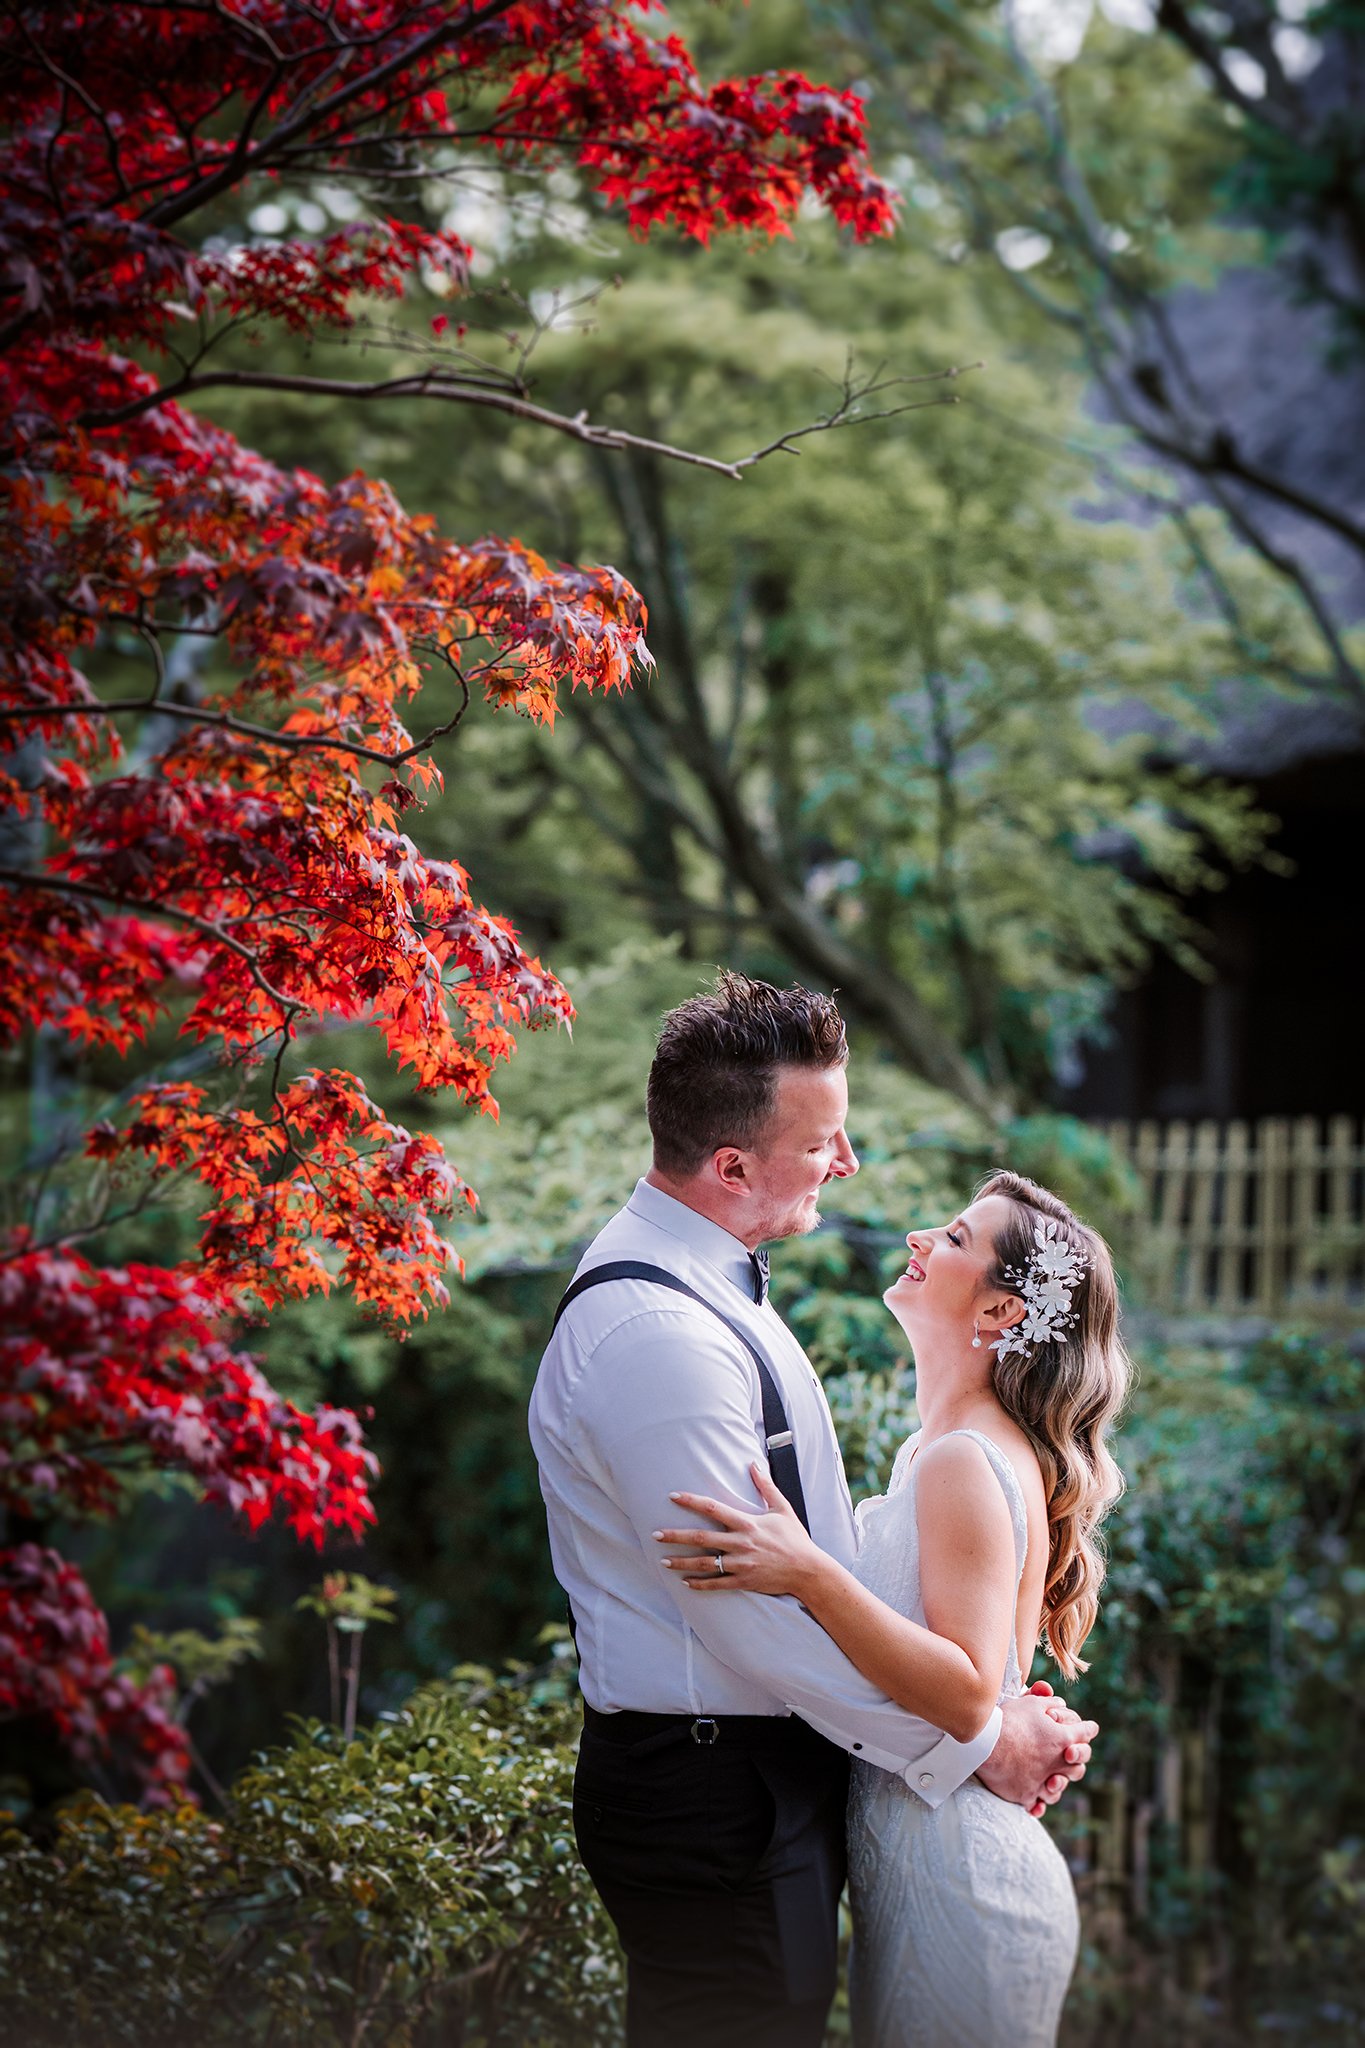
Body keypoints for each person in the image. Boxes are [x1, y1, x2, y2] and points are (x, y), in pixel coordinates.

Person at [529, 974, 1097, 2048]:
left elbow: (819, 1575)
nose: (850, 1162)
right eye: (825, 1138)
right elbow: (755, 1621)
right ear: (732, 1165)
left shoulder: (717, 1287)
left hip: (764, 1790)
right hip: (713, 1794)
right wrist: (975, 1740)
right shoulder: (662, 1333)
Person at [655, 1169, 1131, 2046]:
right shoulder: (939, 1450)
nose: (918, 1238)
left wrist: (807, 1572)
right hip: (919, 1869)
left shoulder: (961, 1459)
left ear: (999, 1315)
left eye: (952, 1239)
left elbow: (961, 1694)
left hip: (965, 1884)